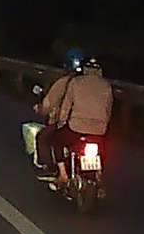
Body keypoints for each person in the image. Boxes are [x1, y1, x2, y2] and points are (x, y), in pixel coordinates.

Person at [45, 56, 113, 187]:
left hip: (76, 127)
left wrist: (61, 122)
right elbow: (108, 110)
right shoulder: (106, 86)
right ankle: (98, 174)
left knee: (56, 140)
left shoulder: (76, 82)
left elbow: (66, 106)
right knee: (103, 149)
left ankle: (63, 174)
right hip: (99, 129)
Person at [32, 50, 86, 180]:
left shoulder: (64, 83)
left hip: (68, 123)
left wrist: (41, 109)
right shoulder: (90, 84)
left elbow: (48, 104)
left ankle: (51, 169)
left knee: (43, 137)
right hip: (94, 125)